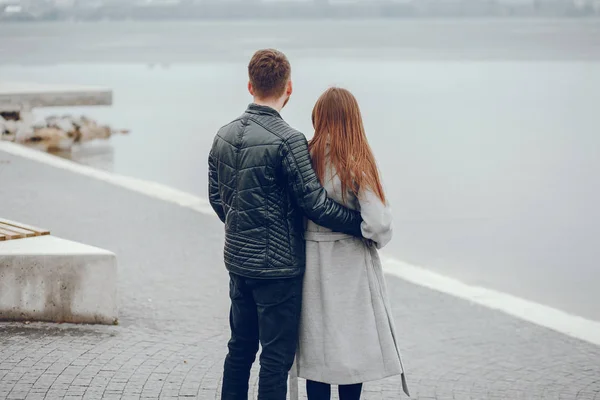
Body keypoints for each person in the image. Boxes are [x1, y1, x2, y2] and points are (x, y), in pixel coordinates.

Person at [208, 50, 365, 400]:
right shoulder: (289, 140)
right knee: (276, 360)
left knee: (240, 350)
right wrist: (360, 224)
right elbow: (315, 204)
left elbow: (217, 199)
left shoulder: (223, 135)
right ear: (289, 88)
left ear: (250, 85)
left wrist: (242, 230)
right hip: (279, 271)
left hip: (238, 262)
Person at [292, 87, 410, 400]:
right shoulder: (357, 160)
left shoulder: (304, 155)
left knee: (318, 354)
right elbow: (377, 222)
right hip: (350, 265)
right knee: (350, 354)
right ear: (353, 119)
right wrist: (371, 237)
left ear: (318, 116)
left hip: (310, 261)